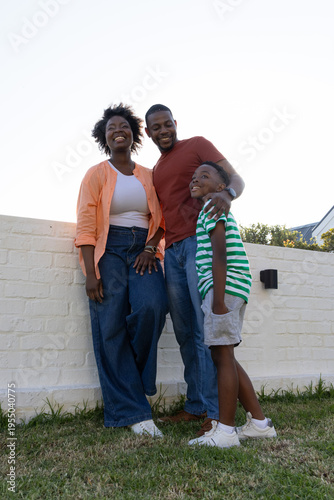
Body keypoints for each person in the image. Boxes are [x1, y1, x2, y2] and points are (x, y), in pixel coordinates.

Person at [145, 104, 245, 435]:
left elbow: (236, 178)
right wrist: (151, 246)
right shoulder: (155, 169)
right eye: (156, 127)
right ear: (148, 133)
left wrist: (229, 194)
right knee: (186, 332)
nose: (163, 131)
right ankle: (196, 405)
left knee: (206, 330)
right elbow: (163, 214)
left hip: (197, 245)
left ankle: (217, 415)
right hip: (170, 252)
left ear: (176, 124)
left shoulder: (197, 145)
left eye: (167, 124)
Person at [75, 104, 168, 437]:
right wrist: (90, 272)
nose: (119, 131)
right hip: (109, 250)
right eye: (112, 127)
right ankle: (132, 412)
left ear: (133, 134)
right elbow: (86, 225)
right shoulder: (96, 174)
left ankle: (133, 382)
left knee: (152, 307)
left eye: (125, 126)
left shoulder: (148, 175)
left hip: (143, 250)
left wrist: (148, 247)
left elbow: (162, 218)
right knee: (110, 324)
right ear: (104, 136)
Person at [187, 161, 277, 448]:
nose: (196, 179)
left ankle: (225, 432)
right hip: (229, 289)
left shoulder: (213, 208)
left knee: (222, 357)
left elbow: (220, 255)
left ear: (221, 188)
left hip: (222, 291)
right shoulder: (209, 210)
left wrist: (218, 300)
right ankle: (260, 424)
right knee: (225, 356)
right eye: (193, 176)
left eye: (205, 175)